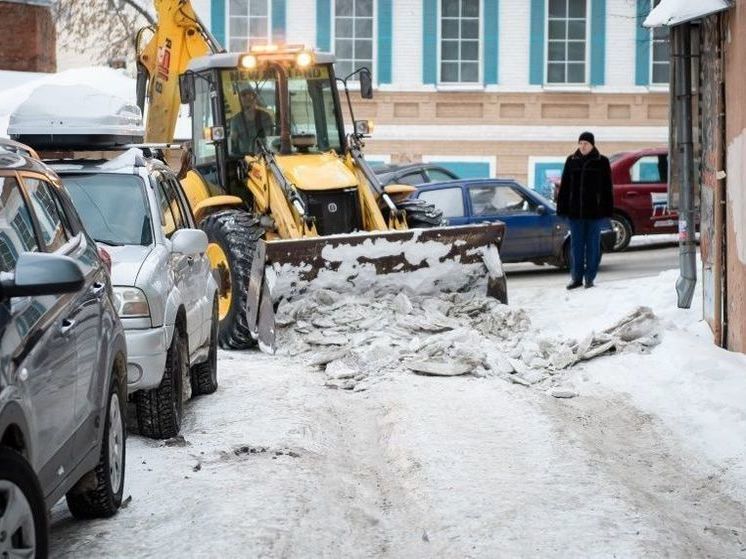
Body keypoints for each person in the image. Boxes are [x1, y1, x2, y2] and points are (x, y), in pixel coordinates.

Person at [556, 131, 613, 290]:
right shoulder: (571, 160)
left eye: (586, 143)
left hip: (594, 213)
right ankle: (576, 278)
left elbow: (607, 188)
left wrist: (607, 210)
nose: (582, 146)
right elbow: (565, 187)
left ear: (592, 145)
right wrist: (562, 208)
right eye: (580, 143)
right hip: (575, 213)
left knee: (593, 247)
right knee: (576, 247)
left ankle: (590, 278)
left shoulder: (602, 161)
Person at [228, 86, 274, 155]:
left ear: (255, 99)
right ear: (240, 100)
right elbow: (233, 140)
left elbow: (269, 136)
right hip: (243, 158)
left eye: (250, 96)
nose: (247, 98)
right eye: (244, 96)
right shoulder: (236, 120)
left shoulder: (265, 117)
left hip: (263, 156)